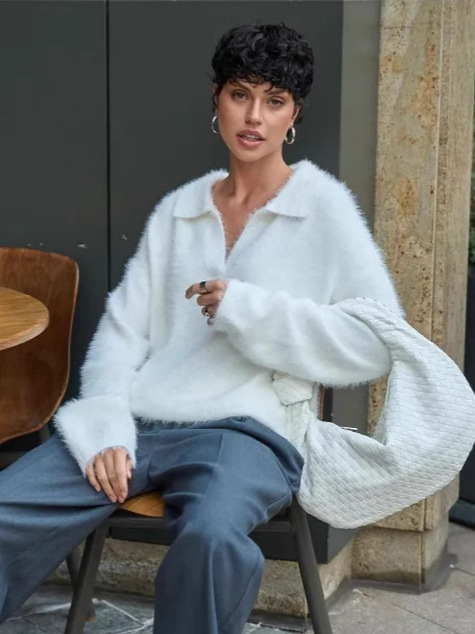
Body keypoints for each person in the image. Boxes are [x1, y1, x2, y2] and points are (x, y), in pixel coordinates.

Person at [0, 22, 403, 633]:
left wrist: (251, 312)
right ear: (217, 98)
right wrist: (106, 424)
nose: (254, 117)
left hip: (246, 433)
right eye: (241, 94)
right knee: (6, 506)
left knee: (213, 539)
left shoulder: (322, 209)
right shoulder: (180, 210)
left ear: (294, 114)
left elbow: (376, 341)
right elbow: (122, 331)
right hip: (142, 421)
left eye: (274, 100)